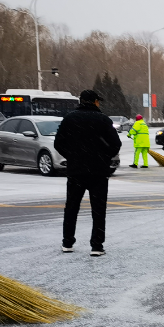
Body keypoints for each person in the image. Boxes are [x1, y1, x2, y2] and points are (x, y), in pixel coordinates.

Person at [54, 89, 121, 256]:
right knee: (98, 209)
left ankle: (67, 242)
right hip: (98, 172)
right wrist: (104, 158)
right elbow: (116, 144)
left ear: (81, 101)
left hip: (76, 170)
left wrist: (72, 156)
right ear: (95, 102)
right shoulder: (103, 120)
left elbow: (58, 143)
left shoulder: (70, 119)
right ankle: (97, 245)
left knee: (72, 206)